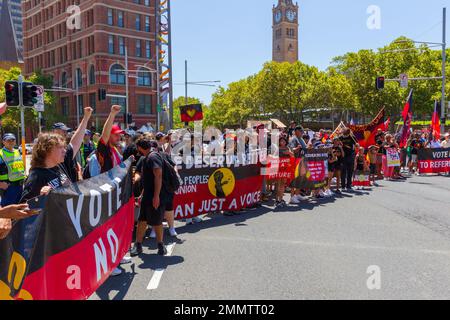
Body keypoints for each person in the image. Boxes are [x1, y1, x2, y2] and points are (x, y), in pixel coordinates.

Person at [132, 139, 168, 256]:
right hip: (148, 195)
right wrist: (142, 194)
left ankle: (160, 245)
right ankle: (138, 245)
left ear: (140, 147)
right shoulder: (147, 157)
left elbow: (158, 176)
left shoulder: (152, 157)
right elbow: (148, 179)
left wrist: (156, 196)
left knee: (157, 221)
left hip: (155, 196)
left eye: (137, 148)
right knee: (142, 220)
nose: (137, 151)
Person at [52, 108, 93, 182]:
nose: (65, 133)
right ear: (54, 132)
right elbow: (75, 142)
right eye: (62, 131)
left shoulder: (65, 148)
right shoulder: (47, 153)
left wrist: (78, 171)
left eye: (66, 131)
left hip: (72, 187)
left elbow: (75, 143)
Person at [96, 105, 124, 174]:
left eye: (119, 135)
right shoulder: (105, 149)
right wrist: (112, 114)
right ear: (109, 136)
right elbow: (105, 134)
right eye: (116, 135)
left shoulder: (115, 150)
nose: (119, 137)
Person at [0, 133, 26, 206]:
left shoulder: (17, 152)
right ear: (3, 142)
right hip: (8, 188)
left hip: (20, 187)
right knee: (8, 212)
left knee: (18, 211)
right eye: (8, 140)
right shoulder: (1, 154)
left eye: (13, 140)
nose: (11, 142)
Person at [289, 126, 308, 204]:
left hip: (302, 160)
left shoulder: (302, 139)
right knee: (294, 179)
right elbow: (290, 149)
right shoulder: (293, 139)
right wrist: (296, 148)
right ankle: (292, 197)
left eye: (302, 131)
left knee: (300, 179)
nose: (302, 132)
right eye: (301, 131)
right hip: (295, 161)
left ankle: (297, 194)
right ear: (296, 131)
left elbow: (305, 149)